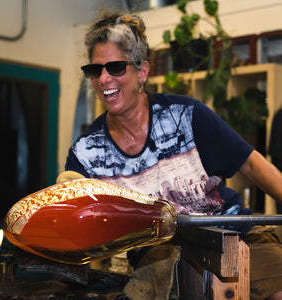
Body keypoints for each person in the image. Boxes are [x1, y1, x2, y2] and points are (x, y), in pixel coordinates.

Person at [60, 12, 282, 300]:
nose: (103, 79)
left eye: (115, 67)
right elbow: (81, 229)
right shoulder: (86, 153)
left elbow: (252, 164)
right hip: (158, 256)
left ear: (142, 72)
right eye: (95, 70)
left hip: (229, 233)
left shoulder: (185, 117)